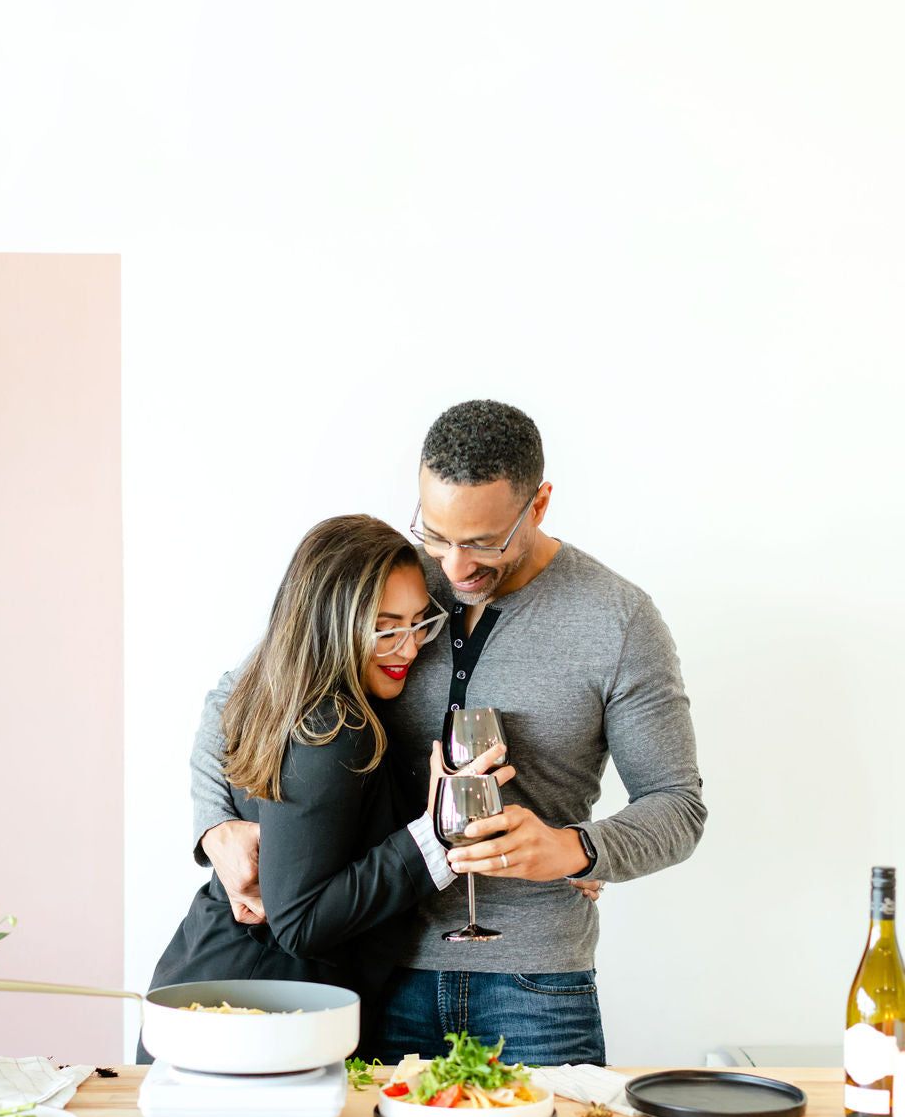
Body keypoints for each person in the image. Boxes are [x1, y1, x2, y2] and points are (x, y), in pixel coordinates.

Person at [191, 401, 706, 1066]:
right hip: (377, 972)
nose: (455, 567)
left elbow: (677, 805)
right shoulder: (392, 585)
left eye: (484, 542)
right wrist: (213, 828)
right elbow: (233, 701)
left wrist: (577, 847)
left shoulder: (618, 620)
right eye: (435, 533)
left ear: (539, 504)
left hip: (536, 984)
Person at [143, 513, 512, 1062]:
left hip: (218, 999)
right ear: (328, 626)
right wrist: (438, 833)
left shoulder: (283, 692)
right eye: (385, 629)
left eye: (419, 624)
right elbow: (300, 923)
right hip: (248, 1021)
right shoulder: (335, 728)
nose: (408, 649)